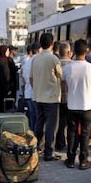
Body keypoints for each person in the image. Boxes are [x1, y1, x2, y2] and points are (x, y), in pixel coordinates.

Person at [62, 39, 91, 170]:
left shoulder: (67, 68)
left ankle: (70, 160)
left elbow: (65, 83)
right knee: (85, 133)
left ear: (74, 52)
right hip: (87, 105)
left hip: (72, 104)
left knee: (71, 132)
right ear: (86, 51)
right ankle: (83, 161)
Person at [30, 32, 63, 161]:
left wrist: (38, 89)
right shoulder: (54, 59)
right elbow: (60, 75)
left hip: (38, 97)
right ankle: (49, 153)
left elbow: (31, 78)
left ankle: (38, 147)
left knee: (39, 123)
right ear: (52, 44)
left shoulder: (35, 59)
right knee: (51, 126)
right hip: (51, 98)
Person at [55, 41, 73, 151]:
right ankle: (70, 145)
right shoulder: (73, 64)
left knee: (60, 122)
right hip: (70, 98)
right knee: (70, 123)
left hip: (57, 97)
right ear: (69, 52)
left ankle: (60, 143)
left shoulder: (55, 63)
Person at [22, 42, 41, 131]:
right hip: (35, 94)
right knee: (38, 118)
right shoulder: (37, 61)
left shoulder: (28, 61)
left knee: (32, 118)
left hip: (28, 93)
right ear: (38, 50)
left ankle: (33, 136)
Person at [0, 45, 15, 113]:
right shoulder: (1, 61)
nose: (8, 52)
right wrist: (7, 87)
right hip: (1, 87)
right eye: (7, 51)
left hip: (1, 86)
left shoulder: (3, 60)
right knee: (0, 103)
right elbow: (3, 75)